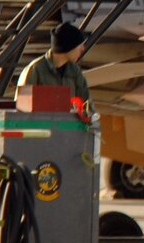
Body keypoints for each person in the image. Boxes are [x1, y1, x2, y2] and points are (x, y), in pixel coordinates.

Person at [19, 22, 97, 165]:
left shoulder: (75, 72)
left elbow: (87, 105)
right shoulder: (35, 70)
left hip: (67, 142)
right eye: (79, 44)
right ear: (68, 46)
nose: (82, 48)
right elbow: (22, 111)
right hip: (39, 142)